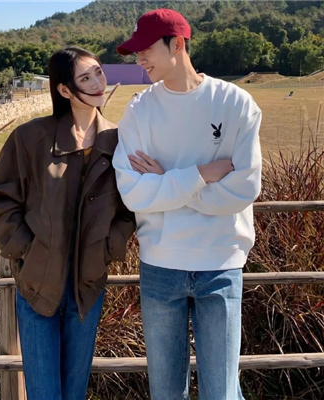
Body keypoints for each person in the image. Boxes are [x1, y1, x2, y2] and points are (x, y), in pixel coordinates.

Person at [113, 9, 262, 400]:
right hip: (160, 266)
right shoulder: (139, 110)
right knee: (165, 393)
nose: (139, 59)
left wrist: (168, 180)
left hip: (221, 263)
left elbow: (243, 189)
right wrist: (201, 174)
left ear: (177, 44)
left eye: (145, 49)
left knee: (221, 393)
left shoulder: (235, 103)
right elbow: (134, 193)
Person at [0, 46, 135, 400]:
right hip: (37, 285)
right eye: (85, 78)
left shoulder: (118, 140)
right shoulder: (30, 138)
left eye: (98, 72)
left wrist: (109, 246)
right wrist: (26, 249)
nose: (97, 83)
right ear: (64, 89)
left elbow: (132, 205)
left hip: (88, 286)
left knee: (74, 391)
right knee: (44, 393)